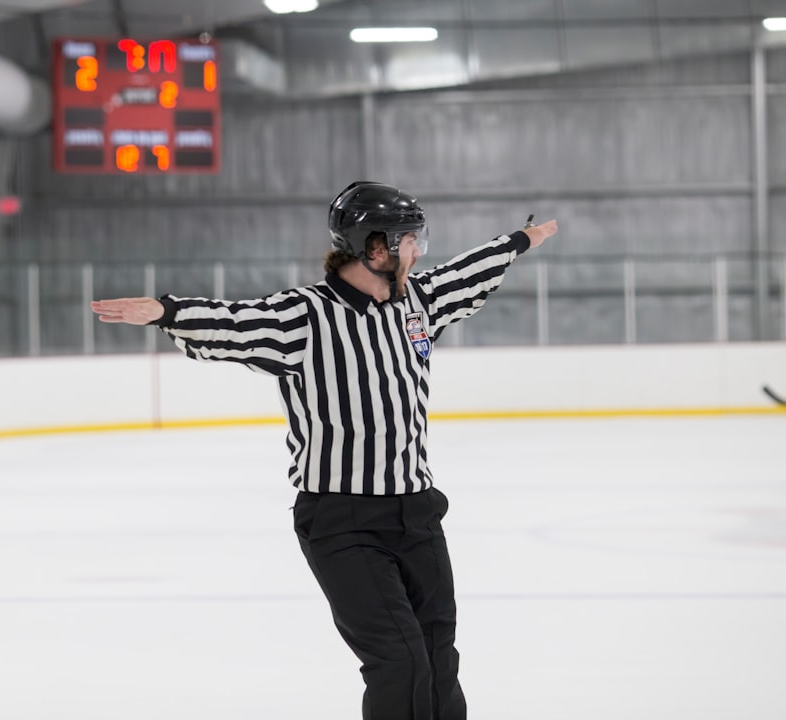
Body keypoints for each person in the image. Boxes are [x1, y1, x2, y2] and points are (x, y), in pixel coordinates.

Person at [91, 181, 558, 720]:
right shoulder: (305, 316)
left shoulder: (417, 303)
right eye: (410, 241)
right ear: (374, 247)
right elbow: (236, 324)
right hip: (344, 521)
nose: (418, 252)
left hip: (419, 511)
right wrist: (166, 311)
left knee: (436, 656)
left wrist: (519, 240)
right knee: (399, 662)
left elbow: (467, 272)